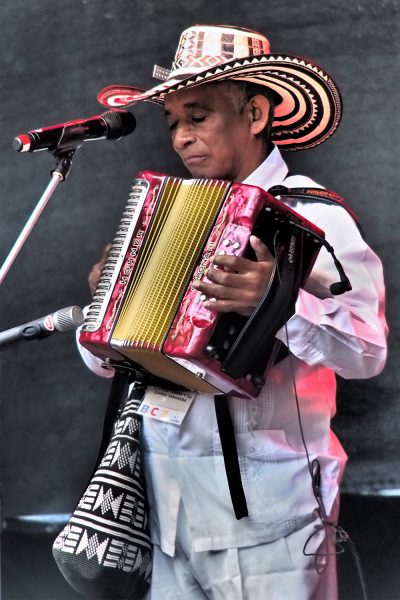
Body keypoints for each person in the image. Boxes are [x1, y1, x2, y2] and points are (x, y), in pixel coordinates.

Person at [79, 25, 388, 599]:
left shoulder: (316, 218)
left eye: (197, 116)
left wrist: (279, 304)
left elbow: (368, 352)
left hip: (273, 515)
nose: (180, 138)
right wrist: (106, 310)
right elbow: (108, 365)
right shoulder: (166, 215)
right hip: (167, 507)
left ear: (255, 113)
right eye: (172, 122)